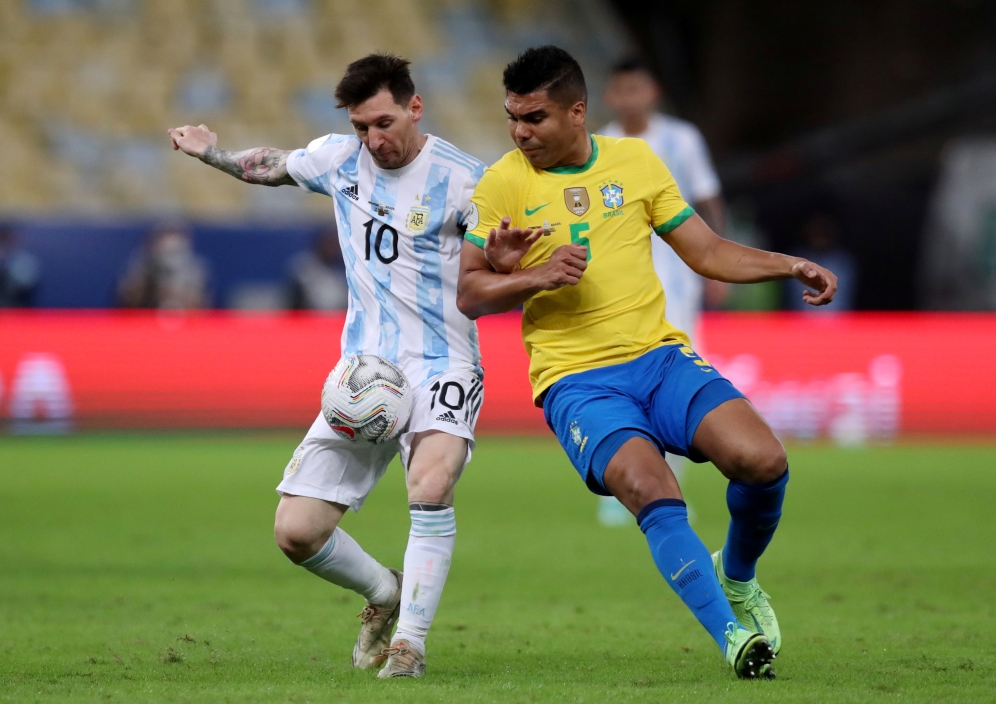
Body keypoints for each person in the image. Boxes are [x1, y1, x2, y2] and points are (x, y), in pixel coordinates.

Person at [457, 46, 837, 679]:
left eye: (535, 118)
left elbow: (708, 251)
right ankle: (731, 635)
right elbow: (469, 293)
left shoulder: (635, 162)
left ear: (577, 113)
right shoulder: (503, 183)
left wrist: (788, 263)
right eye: (512, 119)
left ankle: (736, 577)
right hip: (576, 382)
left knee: (764, 462)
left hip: (659, 360)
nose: (521, 133)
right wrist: (530, 276)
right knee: (649, 488)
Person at [169, 53, 486, 679]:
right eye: (362, 125)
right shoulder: (340, 159)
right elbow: (273, 166)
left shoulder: (466, 180)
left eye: (385, 122)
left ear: (416, 107)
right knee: (297, 531)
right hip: (363, 377)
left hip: (444, 362)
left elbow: (492, 273)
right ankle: (386, 593)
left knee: (431, 484)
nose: (375, 139)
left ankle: (410, 645)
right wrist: (215, 154)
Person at [598, 58, 728, 526]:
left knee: (674, 383)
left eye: (637, 88)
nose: (629, 98)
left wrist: (716, 266)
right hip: (617, 283)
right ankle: (621, 487)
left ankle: (668, 488)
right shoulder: (602, 145)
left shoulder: (682, 140)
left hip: (676, 282)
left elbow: (708, 198)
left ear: (651, 91)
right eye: (620, 90)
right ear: (610, 95)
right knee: (620, 380)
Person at [117, 223, 211, 310]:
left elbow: (203, 305)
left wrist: (175, 294)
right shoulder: (141, 265)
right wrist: (149, 285)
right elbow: (127, 301)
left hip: (187, 323)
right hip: (146, 319)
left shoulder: (195, 268)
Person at [287, 228, 349, 311]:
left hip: (335, 320)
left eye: (335, 246)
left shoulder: (340, 274)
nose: (332, 250)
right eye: (329, 245)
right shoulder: (303, 268)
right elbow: (293, 301)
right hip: (309, 318)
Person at [0, 225, 41, 308]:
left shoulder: (23, 261)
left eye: (7, 240)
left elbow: (23, 286)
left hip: (16, 309)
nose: (5, 244)